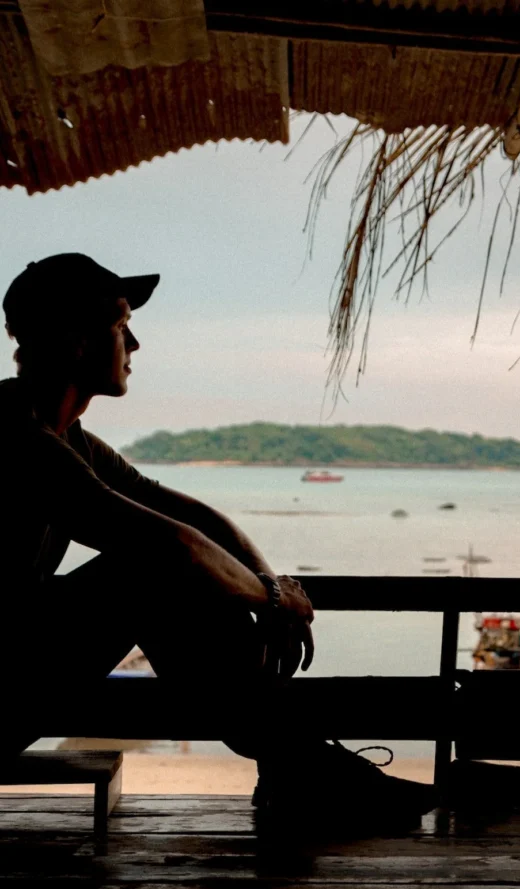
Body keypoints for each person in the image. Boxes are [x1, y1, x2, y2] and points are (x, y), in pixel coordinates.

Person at [1, 253, 435, 831]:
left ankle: (301, 766)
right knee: (147, 571)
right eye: (120, 325)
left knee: (162, 569)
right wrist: (270, 601)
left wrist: (270, 582)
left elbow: (189, 516)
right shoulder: (14, 438)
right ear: (77, 342)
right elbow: (169, 546)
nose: (134, 343)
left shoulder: (71, 440)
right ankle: (304, 768)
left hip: (16, 673)